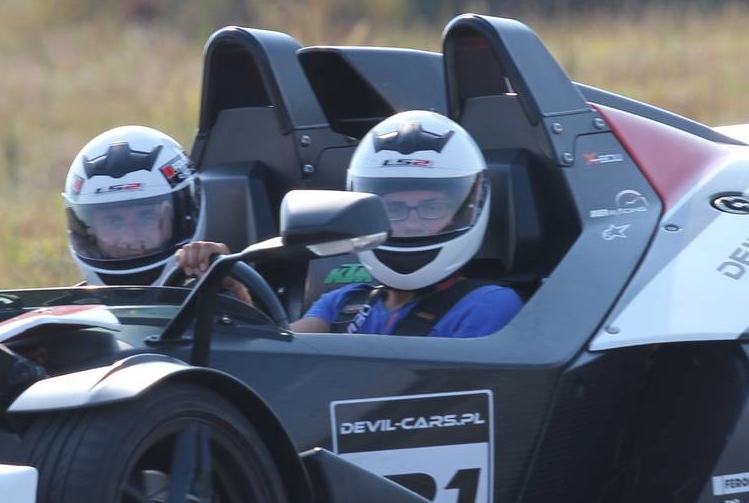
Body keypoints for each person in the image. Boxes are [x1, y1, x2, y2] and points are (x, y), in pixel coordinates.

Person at [177, 110, 522, 338]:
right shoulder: (343, 303)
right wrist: (235, 292)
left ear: (466, 210)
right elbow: (277, 358)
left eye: (431, 207)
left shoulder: (487, 305)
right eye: (394, 209)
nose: (413, 222)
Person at [62, 125, 204, 286]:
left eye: (146, 217)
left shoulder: (217, 286)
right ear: (88, 233)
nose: (130, 238)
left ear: (180, 221)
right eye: (113, 221)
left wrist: (222, 278)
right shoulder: (75, 301)